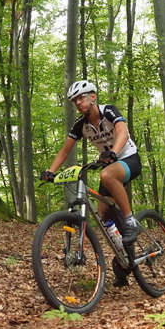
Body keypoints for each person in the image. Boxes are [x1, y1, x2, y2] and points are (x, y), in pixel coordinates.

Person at [40, 79, 142, 247]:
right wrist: (50, 171)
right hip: (110, 164)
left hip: (129, 158)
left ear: (92, 96)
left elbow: (122, 132)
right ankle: (124, 253)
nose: (78, 103)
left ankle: (130, 221)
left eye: (81, 98)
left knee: (106, 174)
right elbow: (65, 150)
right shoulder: (80, 124)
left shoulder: (108, 110)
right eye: (75, 101)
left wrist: (114, 152)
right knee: (103, 213)